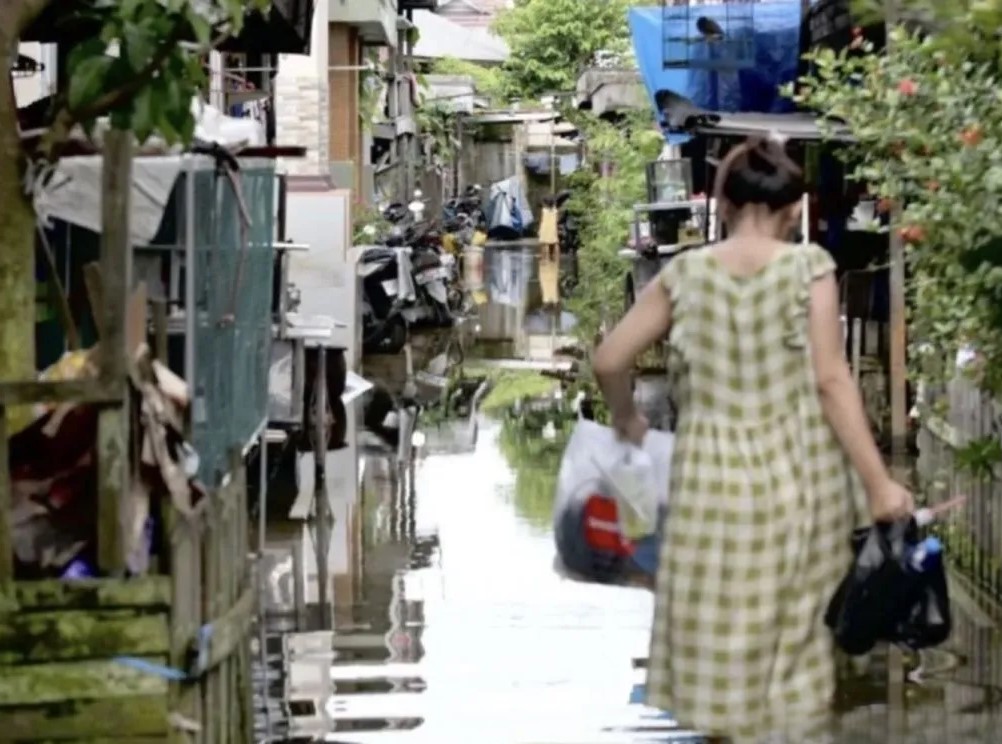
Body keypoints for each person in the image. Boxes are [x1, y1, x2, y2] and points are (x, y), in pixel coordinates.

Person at [592, 137, 913, 744]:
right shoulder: (808, 267)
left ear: (724, 201)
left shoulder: (685, 273)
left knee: (718, 661)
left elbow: (610, 359)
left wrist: (628, 422)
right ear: (794, 208)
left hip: (706, 487)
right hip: (799, 483)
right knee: (791, 661)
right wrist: (878, 483)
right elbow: (830, 379)